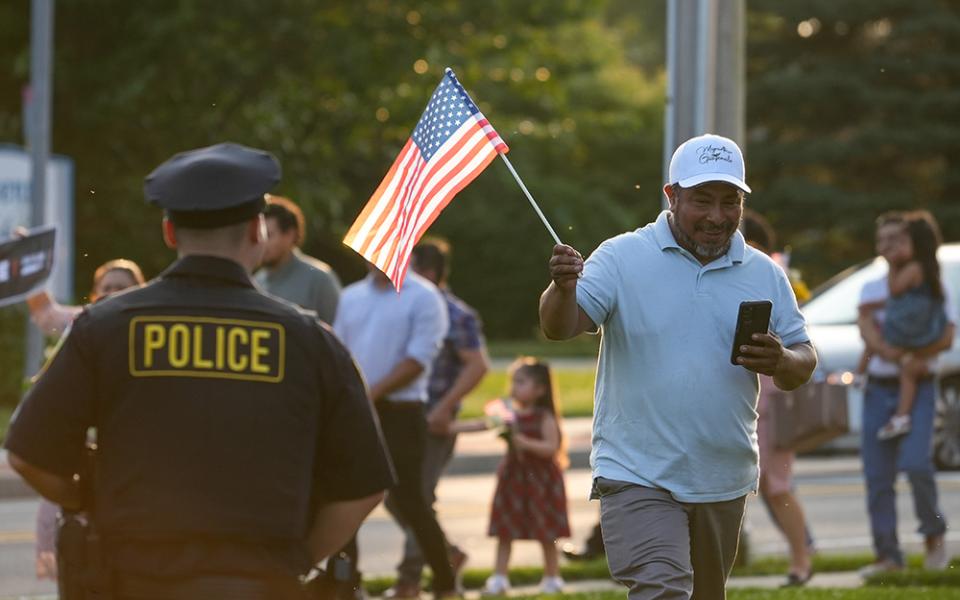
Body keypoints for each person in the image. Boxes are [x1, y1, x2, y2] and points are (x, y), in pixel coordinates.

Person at [4, 142, 394, 599]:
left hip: (132, 583)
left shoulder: (104, 329)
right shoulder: (309, 341)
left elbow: (26, 455)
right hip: (261, 584)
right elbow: (365, 486)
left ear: (169, 232)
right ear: (257, 231)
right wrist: (296, 562)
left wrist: (85, 499)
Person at [539, 133, 817, 599]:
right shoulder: (622, 256)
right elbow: (560, 326)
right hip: (635, 473)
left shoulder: (763, 271)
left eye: (730, 202)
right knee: (662, 589)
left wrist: (783, 359)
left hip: (721, 476)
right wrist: (562, 290)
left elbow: (803, 358)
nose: (717, 216)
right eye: (702, 200)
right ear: (671, 196)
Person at [333, 261, 460, 599]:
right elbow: (339, 351)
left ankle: (446, 585)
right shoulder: (350, 297)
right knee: (348, 497)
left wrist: (368, 393)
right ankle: (347, 585)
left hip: (401, 413)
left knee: (411, 501)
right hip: (355, 410)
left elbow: (418, 359)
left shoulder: (423, 296)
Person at [24, 258, 146, 581]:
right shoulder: (84, 325)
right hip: (85, 464)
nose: (113, 293)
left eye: (123, 287)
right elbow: (45, 313)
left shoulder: (148, 332)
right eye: (107, 287)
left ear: (141, 291)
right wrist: (27, 257)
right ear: (93, 295)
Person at [382, 238, 489, 599]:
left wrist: (444, 407)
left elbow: (477, 365)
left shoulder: (456, 313)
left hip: (433, 424)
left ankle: (408, 581)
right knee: (396, 499)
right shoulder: (404, 307)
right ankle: (448, 554)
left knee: (418, 497)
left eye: (409, 267)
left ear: (427, 271)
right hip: (403, 418)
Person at [857, 210, 954, 576]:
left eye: (896, 239)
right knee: (877, 477)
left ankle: (934, 537)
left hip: (919, 385)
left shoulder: (931, 283)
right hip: (879, 390)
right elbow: (865, 326)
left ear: (912, 242)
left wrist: (916, 356)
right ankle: (888, 557)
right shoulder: (871, 288)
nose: (888, 246)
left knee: (916, 465)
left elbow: (946, 334)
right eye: (882, 240)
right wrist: (887, 352)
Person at [740, 209, 815, 587]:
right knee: (765, 483)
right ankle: (801, 552)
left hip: (770, 396)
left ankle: (802, 560)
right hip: (748, 396)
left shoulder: (770, 275)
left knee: (777, 483)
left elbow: (795, 339)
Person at [455, 358, 570, 596]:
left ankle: (552, 577)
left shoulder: (544, 417)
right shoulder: (507, 414)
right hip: (513, 478)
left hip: (541, 481)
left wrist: (523, 442)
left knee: (546, 531)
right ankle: (499, 577)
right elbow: (483, 425)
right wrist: (450, 428)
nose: (513, 387)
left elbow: (551, 447)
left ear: (540, 389)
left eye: (520, 382)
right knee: (505, 530)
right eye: (513, 381)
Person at [866, 212, 949, 440]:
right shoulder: (930, 272)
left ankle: (902, 416)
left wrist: (893, 265)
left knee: (907, 370)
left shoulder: (913, 269)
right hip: (925, 334)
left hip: (912, 337)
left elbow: (895, 291)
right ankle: (901, 415)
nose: (894, 247)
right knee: (908, 370)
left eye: (902, 242)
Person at [256, 194, 342, 323]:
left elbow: (339, 332)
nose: (262, 242)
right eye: (259, 234)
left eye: (269, 235)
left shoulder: (320, 279)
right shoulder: (256, 281)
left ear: (290, 235)